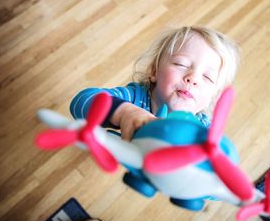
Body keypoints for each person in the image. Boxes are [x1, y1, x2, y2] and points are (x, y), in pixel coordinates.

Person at [70, 26, 240, 140]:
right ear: (154, 71)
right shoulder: (135, 97)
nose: (193, 78)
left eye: (208, 78)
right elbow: (81, 101)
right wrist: (125, 113)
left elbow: (213, 182)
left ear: (214, 97)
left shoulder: (203, 131)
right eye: (181, 64)